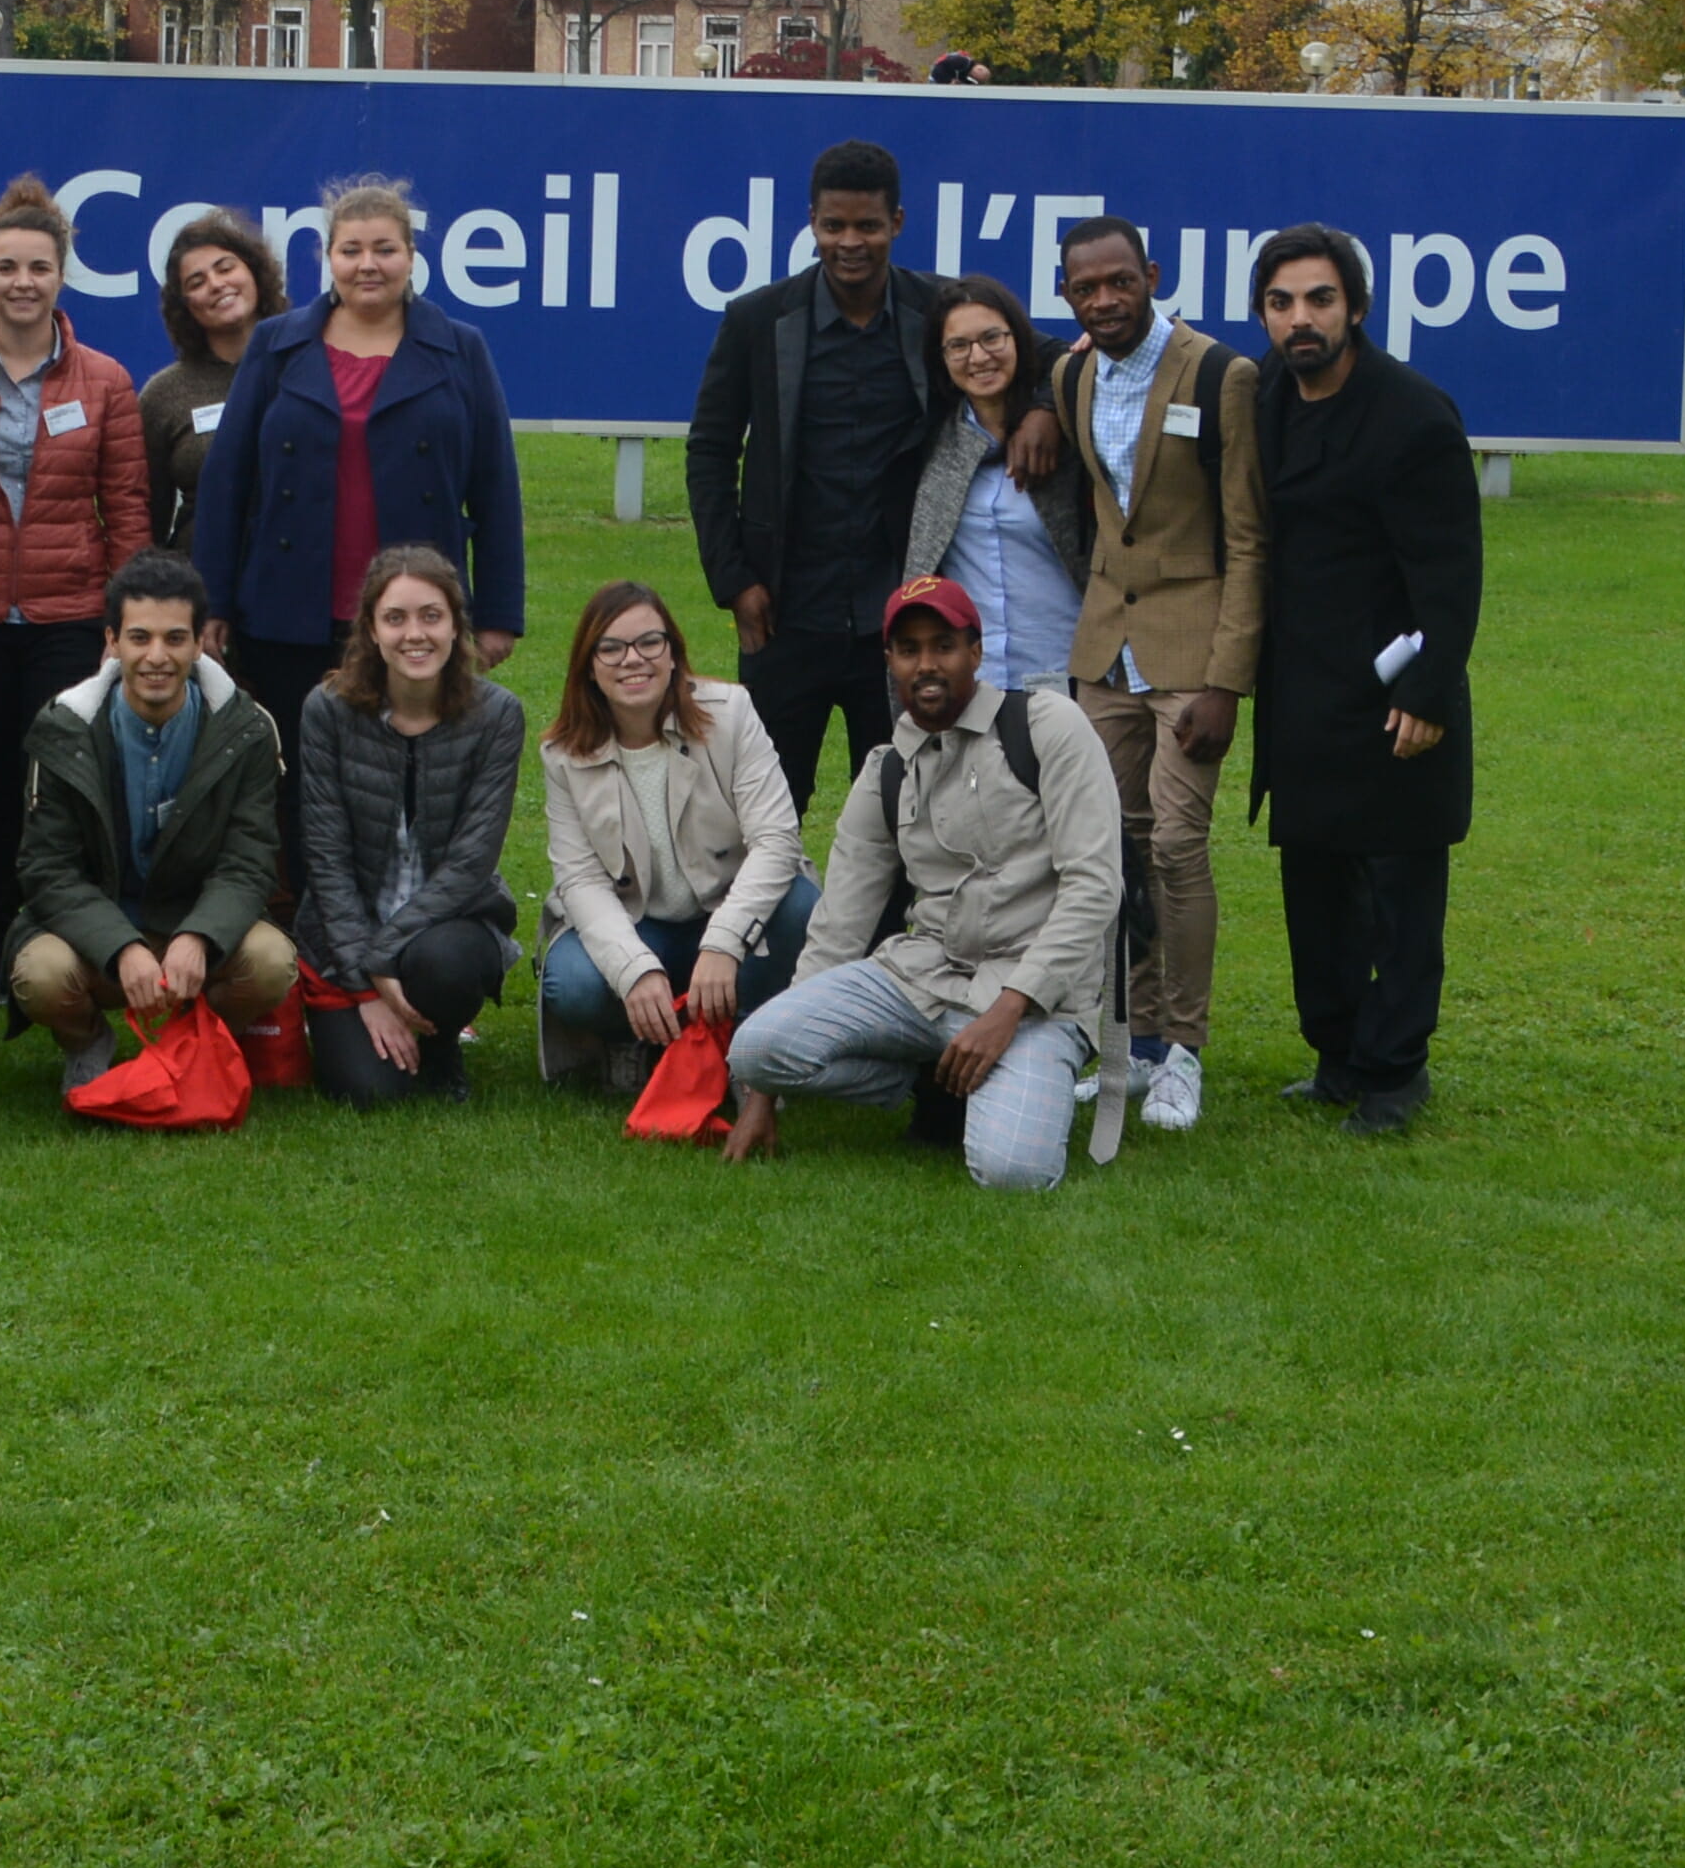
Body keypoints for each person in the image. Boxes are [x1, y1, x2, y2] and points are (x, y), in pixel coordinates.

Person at [719, 578, 1125, 1189]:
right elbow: (839, 925)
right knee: (753, 1050)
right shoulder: (887, 768)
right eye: (908, 649)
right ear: (890, 662)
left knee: (1012, 1170)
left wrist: (1008, 1011)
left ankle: (1008, 1078)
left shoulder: (1046, 726)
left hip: (1037, 998)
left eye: (944, 646)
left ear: (977, 652)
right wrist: (764, 1096)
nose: (927, 665)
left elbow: (1095, 888)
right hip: (922, 980)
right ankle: (927, 1081)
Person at [684, 137, 1040, 804]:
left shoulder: (936, 312)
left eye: (868, 226)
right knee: (764, 811)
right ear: (812, 223)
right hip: (784, 614)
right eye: (834, 225)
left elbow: (1036, 354)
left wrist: (1042, 410)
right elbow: (709, 450)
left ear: (897, 224)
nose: (851, 242)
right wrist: (734, 580)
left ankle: (899, 918)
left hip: (905, 619)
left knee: (907, 804)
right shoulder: (758, 321)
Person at [1247, 225, 1481, 1137]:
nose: (1300, 320)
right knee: (1315, 891)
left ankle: (1396, 1074)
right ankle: (1337, 1057)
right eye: (1281, 302)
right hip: (1303, 695)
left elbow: (1451, 576)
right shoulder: (1265, 390)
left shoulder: (1413, 416)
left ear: (1357, 308)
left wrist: (1425, 694)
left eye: (1319, 300)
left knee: (1398, 898)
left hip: (1394, 701)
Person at [1046, 213, 1265, 1136]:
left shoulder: (1223, 375)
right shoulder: (1068, 374)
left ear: (1152, 276)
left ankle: (1184, 1049)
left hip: (1191, 655)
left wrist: (1227, 680)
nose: (1104, 300)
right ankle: (1124, 1044)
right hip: (1103, 654)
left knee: (1176, 848)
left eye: (1120, 282)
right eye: (1085, 288)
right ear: (1067, 295)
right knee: (1111, 854)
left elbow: (1250, 536)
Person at [187, 178, 527, 768]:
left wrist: (497, 614)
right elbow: (226, 483)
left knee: (409, 775)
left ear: (411, 257)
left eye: (385, 249)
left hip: (414, 615)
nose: (368, 265)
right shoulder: (275, 345)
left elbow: (496, 490)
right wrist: (212, 603)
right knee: (295, 779)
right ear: (327, 257)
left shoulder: (461, 349)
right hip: (287, 610)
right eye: (351, 251)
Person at [0, 175, 152, 992]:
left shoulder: (105, 381)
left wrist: (123, 619)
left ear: (62, 274)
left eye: (38, 267)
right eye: (7, 268)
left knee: (62, 790)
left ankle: (64, 940)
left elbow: (128, 510)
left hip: (71, 618)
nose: (23, 282)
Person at [1, 553, 298, 1091]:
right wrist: (121, 946)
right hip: (97, 934)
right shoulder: (63, 729)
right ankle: (88, 1043)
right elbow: (47, 871)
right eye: (139, 638)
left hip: (197, 928)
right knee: (40, 975)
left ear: (200, 642)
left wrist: (200, 937)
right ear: (111, 642)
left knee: (272, 961)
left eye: (175, 639)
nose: (156, 656)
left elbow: (250, 862)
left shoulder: (248, 730)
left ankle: (189, 1043)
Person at [527, 580, 817, 1095]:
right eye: (610, 648)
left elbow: (776, 839)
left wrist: (726, 942)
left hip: (726, 909)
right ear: (588, 666)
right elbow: (581, 881)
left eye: (649, 643)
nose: (632, 660)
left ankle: (749, 1045)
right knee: (571, 981)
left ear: (674, 653)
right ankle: (632, 1038)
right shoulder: (563, 754)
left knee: (801, 905)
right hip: (642, 925)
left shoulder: (731, 713)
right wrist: (634, 970)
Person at [294, 542, 527, 1107]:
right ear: (372, 631)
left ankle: (442, 1039)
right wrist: (364, 980)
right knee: (367, 1092)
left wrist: (385, 955)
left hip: (450, 924)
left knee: (444, 963)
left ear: (455, 628)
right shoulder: (326, 711)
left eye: (431, 616)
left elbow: (473, 863)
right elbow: (326, 858)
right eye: (394, 618)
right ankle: (378, 1025)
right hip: (348, 933)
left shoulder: (498, 715)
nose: (414, 634)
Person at [906, 276, 1089, 698]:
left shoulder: (1068, 439)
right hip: (971, 682)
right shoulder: (934, 444)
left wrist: (1049, 409)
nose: (978, 357)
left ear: (1020, 340)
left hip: (1067, 672)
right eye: (959, 346)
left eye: (992, 338)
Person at [136, 207, 281, 548]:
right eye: (197, 282)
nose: (217, 285)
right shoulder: (163, 395)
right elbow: (146, 519)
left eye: (226, 268)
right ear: (185, 305)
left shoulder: (307, 366)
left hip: (294, 578)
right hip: (199, 585)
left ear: (255, 273)